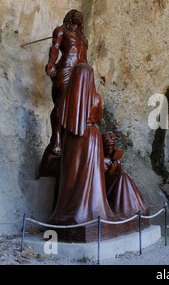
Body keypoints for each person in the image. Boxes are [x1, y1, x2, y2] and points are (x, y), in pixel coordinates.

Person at [49, 63, 118, 225]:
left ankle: (66, 211)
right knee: (89, 174)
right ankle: (92, 211)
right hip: (90, 136)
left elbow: (58, 116)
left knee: (71, 173)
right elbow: (98, 117)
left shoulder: (66, 95)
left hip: (70, 138)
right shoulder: (95, 97)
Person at [39, 9, 89, 178]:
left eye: (79, 18)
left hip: (80, 75)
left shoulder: (83, 38)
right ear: (69, 18)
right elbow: (55, 47)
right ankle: (57, 139)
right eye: (74, 17)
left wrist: (88, 77)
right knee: (61, 103)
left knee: (77, 108)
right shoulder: (61, 30)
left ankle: (72, 139)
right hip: (65, 70)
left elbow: (85, 59)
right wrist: (51, 64)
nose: (77, 19)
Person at [102, 132, 150, 220]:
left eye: (112, 146)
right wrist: (112, 168)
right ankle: (122, 211)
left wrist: (117, 162)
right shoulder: (101, 159)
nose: (110, 148)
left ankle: (136, 207)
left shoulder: (114, 156)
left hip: (116, 182)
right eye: (107, 146)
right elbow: (102, 178)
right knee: (122, 177)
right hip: (105, 185)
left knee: (124, 177)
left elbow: (119, 172)